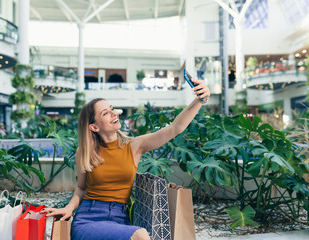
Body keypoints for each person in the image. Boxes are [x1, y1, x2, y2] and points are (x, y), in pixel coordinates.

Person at [41, 78, 210, 240]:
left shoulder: (134, 146)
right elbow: (81, 188)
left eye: (112, 108)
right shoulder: (85, 152)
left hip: (119, 218)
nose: (114, 113)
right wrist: (68, 208)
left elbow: (175, 128)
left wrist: (199, 100)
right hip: (88, 219)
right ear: (94, 127)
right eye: (106, 113)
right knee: (141, 235)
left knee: (136, 234)